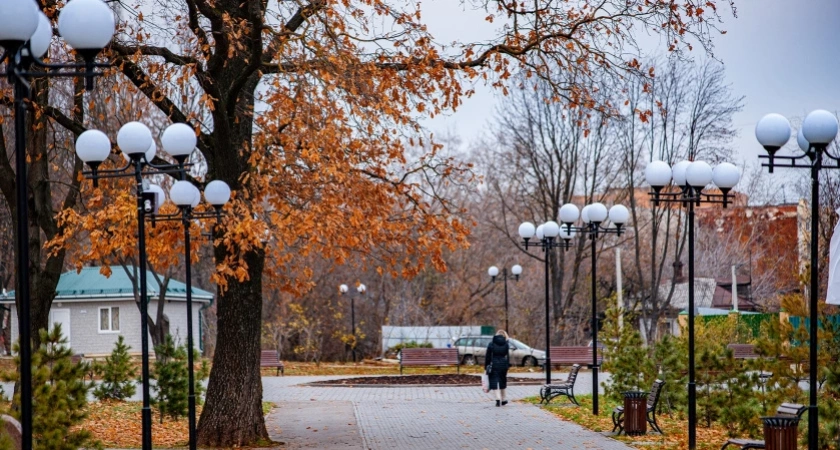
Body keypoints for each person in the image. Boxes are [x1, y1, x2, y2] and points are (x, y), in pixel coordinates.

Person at [484, 330, 511, 407]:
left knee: (494, 381)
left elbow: (488, 356)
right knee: (502, 381)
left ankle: (498, 399)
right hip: (503, 363)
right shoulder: (506, 344)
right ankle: (504, 399)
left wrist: (486, 366)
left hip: (494, 364)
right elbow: (507, 355)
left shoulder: (491, 344)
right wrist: (507, 365)